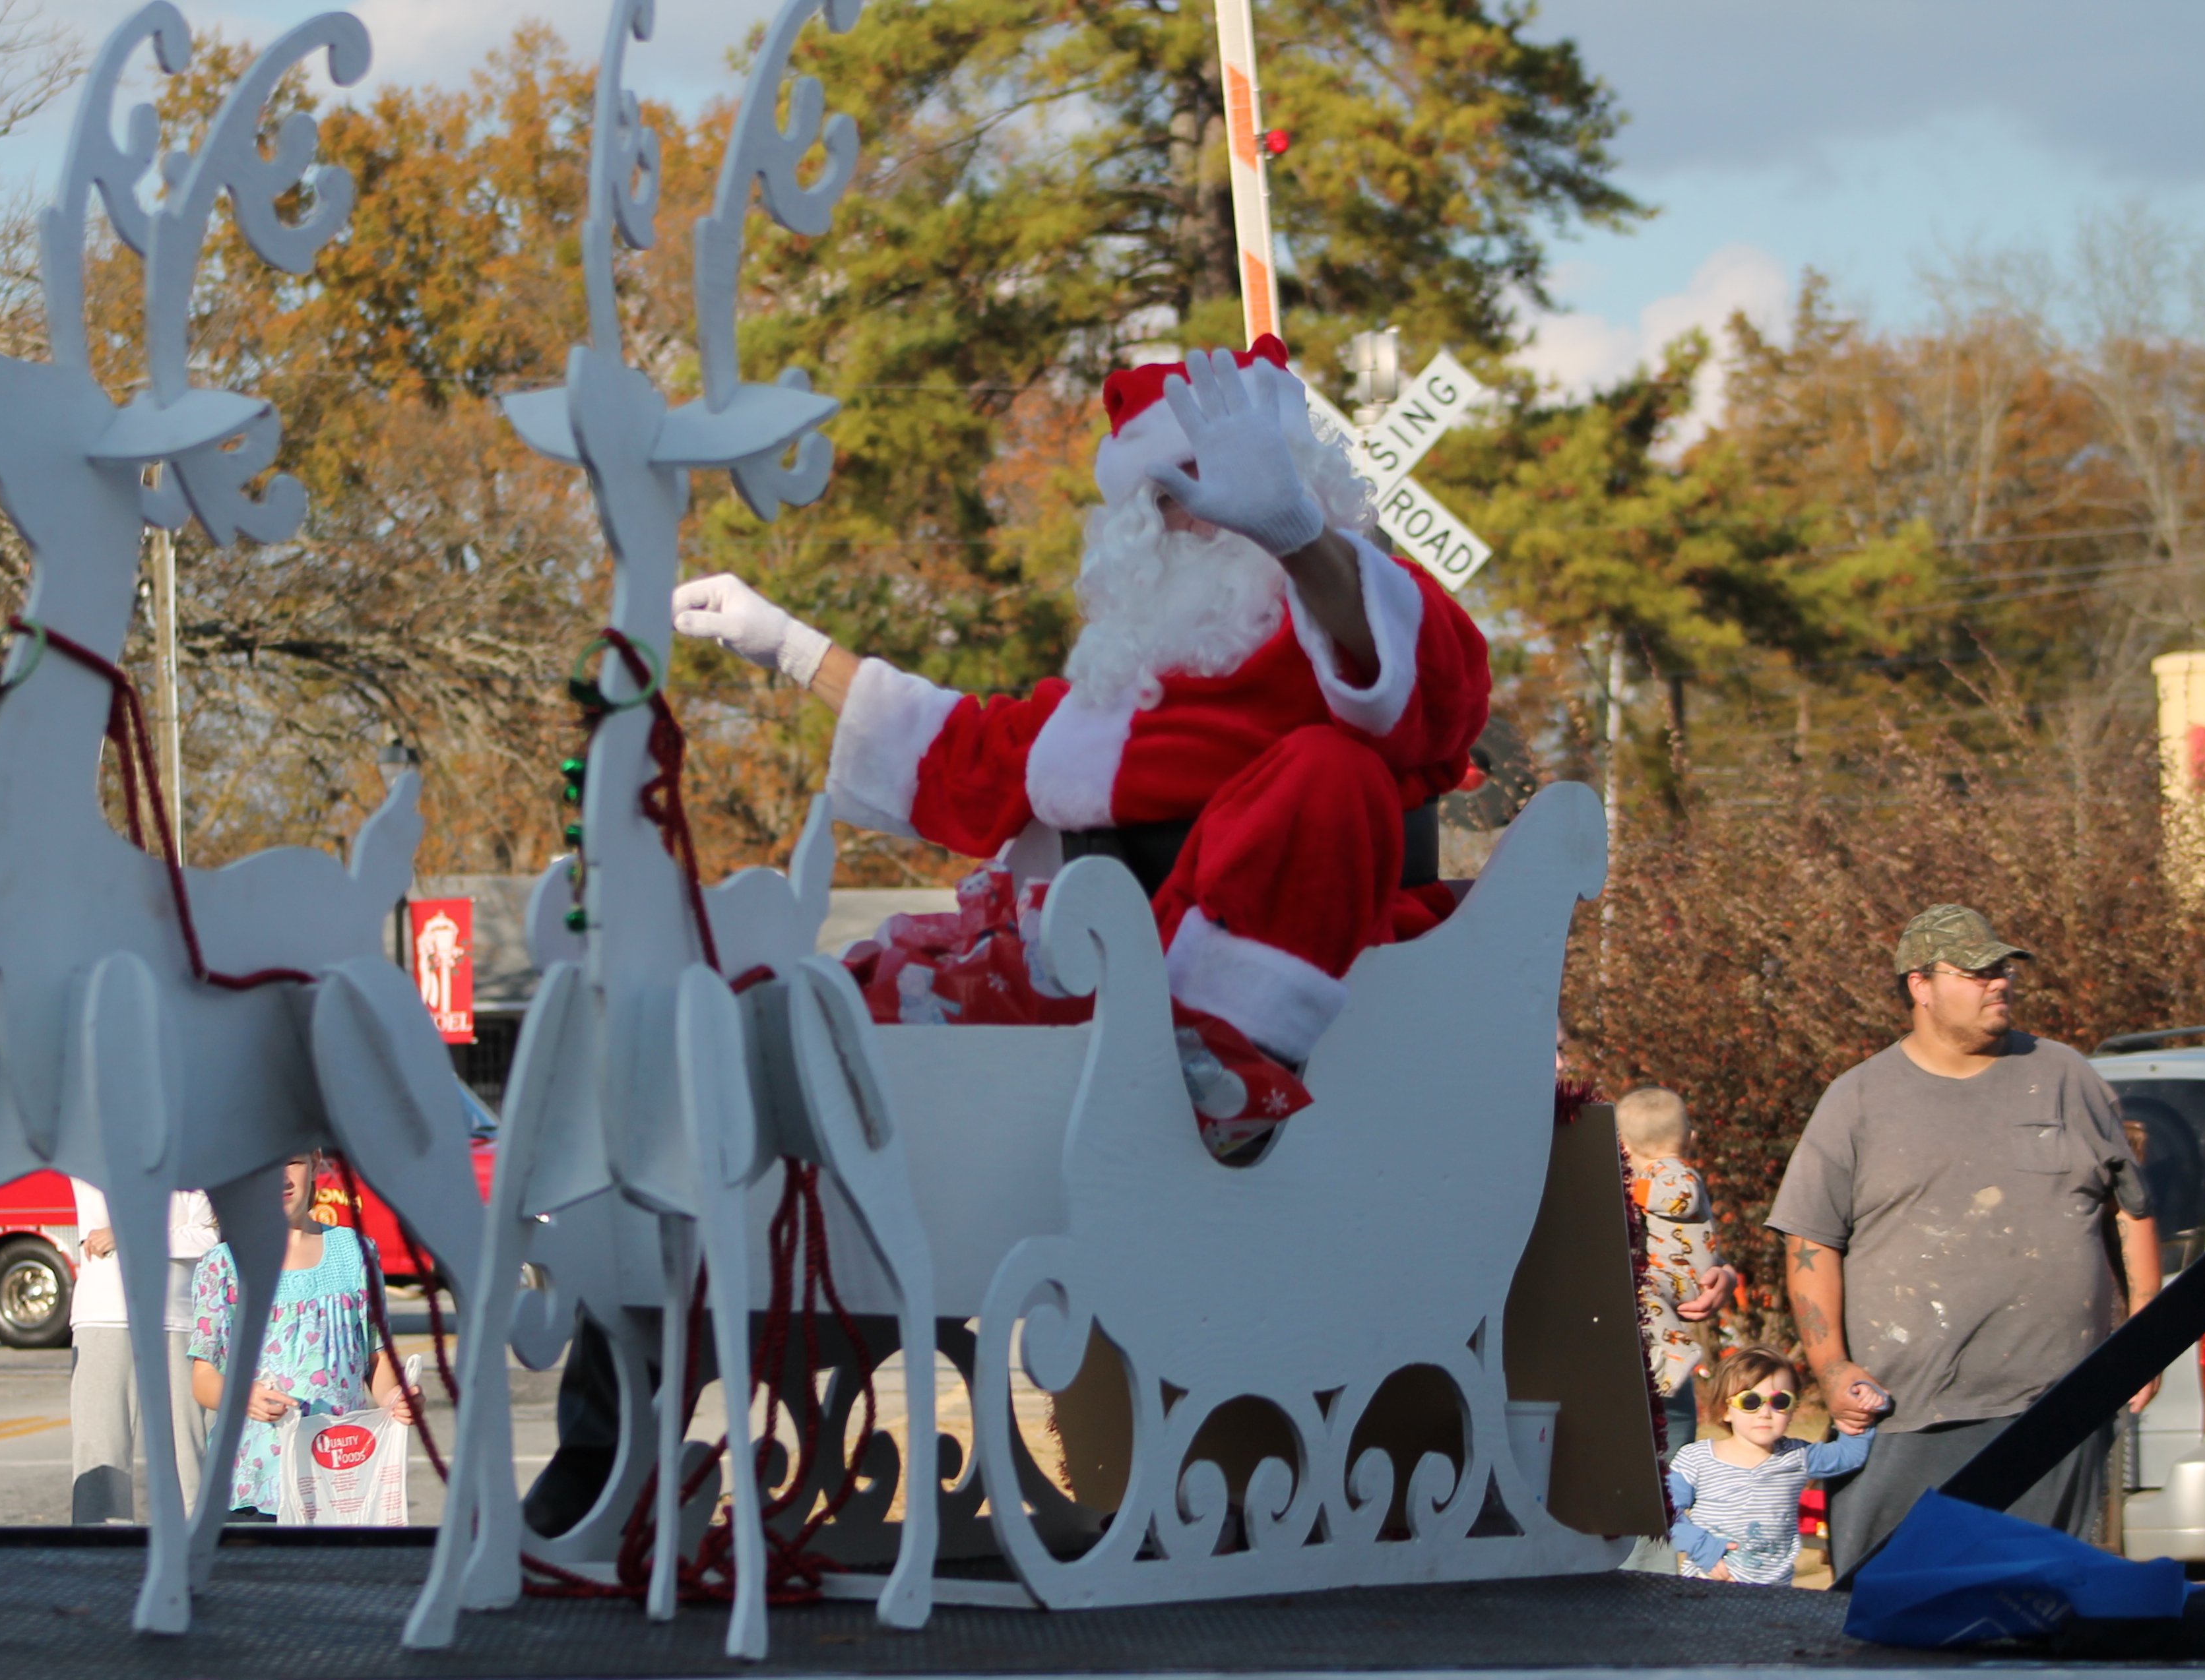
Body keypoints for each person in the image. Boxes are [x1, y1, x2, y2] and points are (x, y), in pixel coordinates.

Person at [674, 338, 1490, 1134]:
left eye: (1233, 485)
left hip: (1299, 995)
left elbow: (1446, 701)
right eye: (1173, 494)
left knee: (1330, 772)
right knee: (848, 1015)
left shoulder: (1356, 622)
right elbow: (959, 750)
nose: (1205, 515)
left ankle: (1230, 1048)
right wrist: (789, 646)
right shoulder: (1108, 698)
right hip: (1094, 981)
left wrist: (1297, 537)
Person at [1768, 904, 2160, 1578]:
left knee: (2039, 1615)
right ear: (1919, 985)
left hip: (2056, 1406)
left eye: (2003, 968)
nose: (1999, 982)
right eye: (1977, 971)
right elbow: (1810, 1240)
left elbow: (2135, 1211)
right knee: (1892, 1617)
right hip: (1906, 1413)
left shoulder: (2065, 1075)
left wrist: (2146, 1339)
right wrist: (1831, 1366)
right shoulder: (1859, 1100)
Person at [187, 1152, 420, 1522]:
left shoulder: (357, 1252)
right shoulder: (224, 1265)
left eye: (293, 1162)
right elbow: (203, 1380)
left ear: (314, 1164)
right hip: (254, 1483)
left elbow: (375, 1359)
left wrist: (397, 1398)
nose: (281, 1178)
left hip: (338, 1478)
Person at [69, 1179, 218, 1522]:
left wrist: (129, 1235)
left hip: (179, 1317)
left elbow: (206, 1238)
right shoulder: (91, 1147)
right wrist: (168, 1234)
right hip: (105, 1315)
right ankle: (102, 1561)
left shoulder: (190, 1156)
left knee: (187, 1453)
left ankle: (193, 1553)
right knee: (101, 1452)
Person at [1668, 1346, 1873, 1585]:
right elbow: (1664, 1510)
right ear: (1725, 1410)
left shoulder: (1798, 1456)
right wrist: (1703, 1550)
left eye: (1780, 1401)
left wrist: (1862, 1404)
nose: (1765, 1412)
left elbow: (1851, 1455)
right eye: (1750, 1401)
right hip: (1709, 1583)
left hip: (1775, 1590)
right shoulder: (1696, 1459)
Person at [1615, 1085, 1733, 1458]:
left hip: (1672, 1276)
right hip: (1679, 1274)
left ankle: (1673, 1356)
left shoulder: (1670, 1171)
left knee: (1648, 1302)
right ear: (1691, 1137)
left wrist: (1631, 1185)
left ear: (1623, 1146)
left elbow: (1681, 1198)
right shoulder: (1667, 1170)